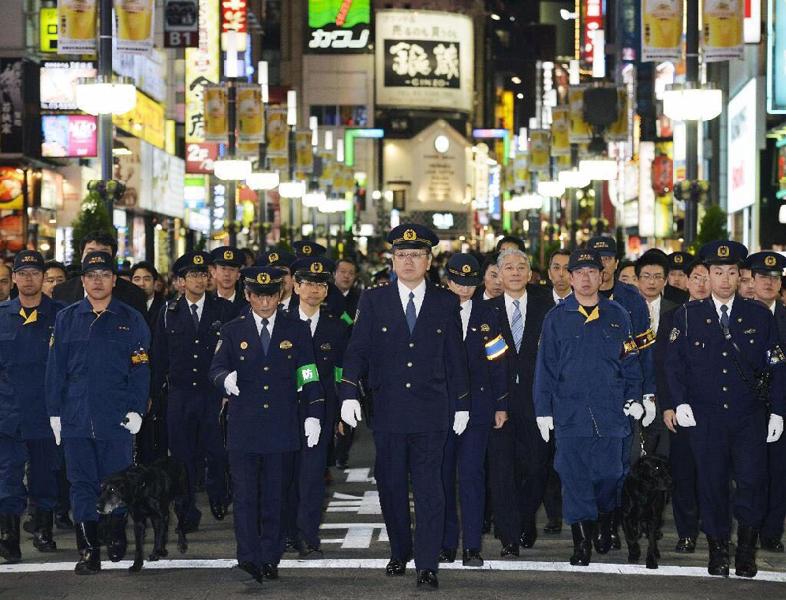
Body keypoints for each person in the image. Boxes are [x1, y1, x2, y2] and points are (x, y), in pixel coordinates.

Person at [339, 224, 469, 590]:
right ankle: (400, 550)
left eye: (415, 255)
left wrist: (462, 404)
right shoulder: (374, 300)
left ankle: (427, 563)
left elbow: (455, 356)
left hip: (432, 411)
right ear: (392, 261)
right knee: (391, 485)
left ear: (429, 261)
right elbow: (358, 350)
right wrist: (349, 392)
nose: (407, 261)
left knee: (430, 489)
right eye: (401, 255)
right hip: (389, 410)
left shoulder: (445, 301)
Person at [666, 240, 786, 578]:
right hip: (706, 418)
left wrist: (778, 410)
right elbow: (673, 364)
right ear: (706, 274)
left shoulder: (758, 314)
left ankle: (746, 550)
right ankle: (718, 550)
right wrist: (679, 402)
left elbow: (776, 364)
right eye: (717, 272)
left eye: (732, 272)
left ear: (740, 275)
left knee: (752, 483)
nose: (724, 278)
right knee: (712, 484)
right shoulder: (689, 315)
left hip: (748, 417)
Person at [209, 265, 325, 585]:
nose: (264, 302)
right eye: (258, 295)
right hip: (244, 428)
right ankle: (248, 557)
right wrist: (225, 380)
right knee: (245, 497)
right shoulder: (232, 330)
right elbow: (216, 367)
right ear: (247, 296)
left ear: (280, 294)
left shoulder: (296, 329)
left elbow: (308, 372)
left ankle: (270, 557)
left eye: (270, 295)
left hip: (281, 426)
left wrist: (314, 412)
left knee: (275, 497)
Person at [534, 248, 644, 567]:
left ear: (601, 276)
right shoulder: (556, 319)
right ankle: (582, 543)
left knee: (611, 475)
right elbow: (546, 368)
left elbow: (631, 362)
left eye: (591, 272)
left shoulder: (618, 315)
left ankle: (606, 521)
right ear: (569, 278)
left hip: (611, 415)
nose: (585, 278)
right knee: (574, 478)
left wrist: (635, 397)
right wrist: (543, 410)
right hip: (570, 416)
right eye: (578, 273)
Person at [45, 251, 150, 574]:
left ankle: (116, 534)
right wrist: (54, 413)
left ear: (114, 280)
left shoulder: (131, 319)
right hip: (76, 415)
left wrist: (136, 409)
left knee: (116, 482)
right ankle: (88, 549)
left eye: (104, 274)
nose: (98, 281)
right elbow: (55, 369)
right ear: (83, 281)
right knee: (81, 483)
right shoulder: (67, 318)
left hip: (115, 416)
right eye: (91, 275)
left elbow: (141, 369)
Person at [150, 251, 233, 530]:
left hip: (212, 393)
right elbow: (159, 357)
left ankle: (219, 495)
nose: (199, 279)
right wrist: (155, 395)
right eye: (192, 275)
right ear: (181, 281)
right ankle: (186, 510)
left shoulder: (221, 310)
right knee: (182, 456)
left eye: (202, 274)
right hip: (180, 394)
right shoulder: (167, 313)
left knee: (216, 451)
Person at [587, 236, 656, 549]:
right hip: (586, 397)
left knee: (619, 465)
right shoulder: (578, 295)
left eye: (608, 258)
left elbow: (645, 351)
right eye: (596, 258)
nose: (602, 265)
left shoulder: (632, 298)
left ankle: (611, 525)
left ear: (616, 262)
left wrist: (648, 393)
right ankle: (592, 522)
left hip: (623, 396)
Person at [439, 254, 508, 567]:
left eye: (469, 283)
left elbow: (498, 361)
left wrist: (501, 404)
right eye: (457, 283)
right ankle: (445, 542)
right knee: (440, 478)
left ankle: (472, 547)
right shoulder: (434, 310)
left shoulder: (488, 313)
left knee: (471, 476)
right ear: (446, 280)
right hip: (440, 407)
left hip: (479, 407)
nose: (463, 290)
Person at [485, 249, 554, 555]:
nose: (514, 272)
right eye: (508, 268)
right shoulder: (486, 311)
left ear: (530, 273)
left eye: (520, 267)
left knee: (537, 468)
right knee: (502, 470)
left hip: (537, 403)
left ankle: (526, 517)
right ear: (498, 274)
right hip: (499, 404)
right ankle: (509, 535)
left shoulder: (548, 307)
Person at [0, 252, 65, 563]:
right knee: (7, 476)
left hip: (46, 412)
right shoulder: (1, 315)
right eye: (22, 272)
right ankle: (9, 535)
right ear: (14, 278)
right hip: (8, 413)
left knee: (44, 475)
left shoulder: (61, 315)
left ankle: (43, 529)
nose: (28, 278)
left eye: (34, 272)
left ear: (43, 278)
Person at [283, 255, 348, 556]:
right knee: (282, 477)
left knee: (311, 478)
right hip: (283, 412)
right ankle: (284, 533)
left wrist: (337, 415)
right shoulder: (281, 324)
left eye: (320, 284)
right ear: (295, 286)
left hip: (320, 414)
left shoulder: (336, 328)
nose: (313, 290)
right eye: (307, 283)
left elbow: (339, 374)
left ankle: (308, 536)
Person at [658, 259, 710, 553]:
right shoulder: (673, 317)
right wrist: (668, 406)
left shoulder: (729, 316)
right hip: (682, 408)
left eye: (707, 278)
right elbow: (664, 366)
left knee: (715, 472)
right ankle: (686, 532)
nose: (702, 284)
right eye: (697, 278)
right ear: (687, 281)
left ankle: (715, 528)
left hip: (718, 410)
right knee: (684, 473)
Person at [747, 251, 786, 553]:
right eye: (763, 277)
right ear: (753, 280)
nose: (769, 282)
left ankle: (771, 532)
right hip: (745, 408)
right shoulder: (738, 315)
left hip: (780, 406)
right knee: (748, 473)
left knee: (779, 473)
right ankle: (749, 527)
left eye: (775, 277)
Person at [52, 231, 147, 316]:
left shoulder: (134, 294)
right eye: (90, 252)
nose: (96, 258)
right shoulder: (61, 292)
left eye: (103, 253)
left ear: (113, 258)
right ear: (81, 257)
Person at [636, 249, 679, 340]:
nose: (652, 282)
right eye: (646, 276)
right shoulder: (626, 309)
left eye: (657, 277)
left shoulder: (676, 311)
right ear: (637, 279)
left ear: (665, 281)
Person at [210, 246, 247, 317]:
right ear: (214, 273)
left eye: (232, 269)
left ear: (238, 275)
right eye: (223, 269)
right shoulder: (205, 304)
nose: (227, 274)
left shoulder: (247, 305)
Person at [131, 261, 165, 329]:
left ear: (155, 283)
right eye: (137, 279)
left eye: (147, 279)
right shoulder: (124, 306)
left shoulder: (165, 307)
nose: (141, 284)